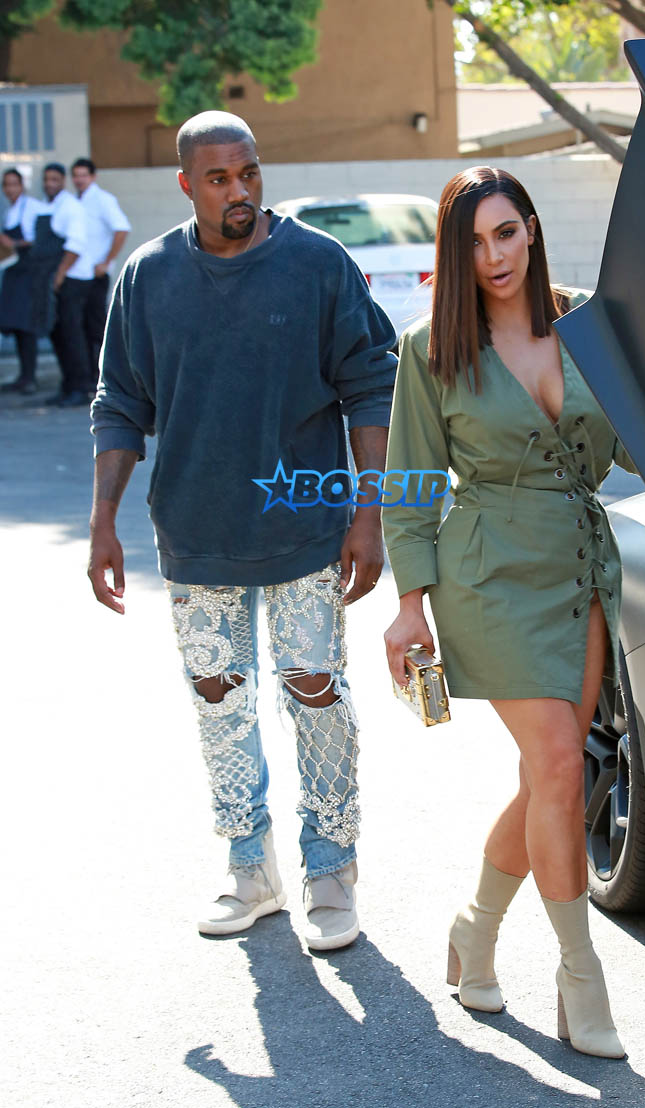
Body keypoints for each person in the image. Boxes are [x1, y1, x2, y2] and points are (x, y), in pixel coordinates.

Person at [88, 111, 396, 950]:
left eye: (249, 173)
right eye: (219, 179)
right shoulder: (148, 275)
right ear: (187, 184)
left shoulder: (317, 263)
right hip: (196, 533)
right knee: (219, 702)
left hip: (305, 529)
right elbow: (121, 401)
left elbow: (370, 385)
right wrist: (103, 519)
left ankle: (330, 867)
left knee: (315, 693)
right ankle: (249, 867)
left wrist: (369, 515)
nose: (239, 192)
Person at [383, 167, 637, 1058]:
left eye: (504, 232)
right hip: (488, 575)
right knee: (561, 763)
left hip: (579, 569)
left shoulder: (589, 324)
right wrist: (408, 606)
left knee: (547, 781)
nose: (492, 256)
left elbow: (638, 440)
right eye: (473, 242)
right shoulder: (431, 348)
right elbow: (411, 483)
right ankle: (580, 977)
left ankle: (474, 928)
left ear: (531, 229)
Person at [71, 157, 131, 384]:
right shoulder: (77, 200)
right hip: (81, 275)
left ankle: (112, 377)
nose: (79, 179)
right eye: (76, 175)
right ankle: (92, 377)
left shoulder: (103, 199)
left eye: (83, 175)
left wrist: (106, 262)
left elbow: (122, 229)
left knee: (98, 328)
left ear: (93, 177)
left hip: (96, 275)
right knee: (84, 327)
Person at [42, 162, 94, 407]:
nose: (49, 184)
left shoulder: (71, 207)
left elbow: (76, 245)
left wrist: (60, 274)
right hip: (58, 279)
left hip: (73, 279)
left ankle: (81, 388)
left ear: (63, 181)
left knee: (73, 334)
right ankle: (68, 386)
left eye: (54, 179)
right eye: (46, 180)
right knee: (59, 334)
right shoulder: (51, 205)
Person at [0, 168, 50, 394]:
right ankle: (23, 376)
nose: (10, 189)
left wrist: (12, 243)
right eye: (6, 185)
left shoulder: (32, 207)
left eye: (14, 184)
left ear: (22, 186)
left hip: (29, 273)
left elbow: (38, 240)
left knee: (26, 325)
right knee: (16, 325)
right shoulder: (10, 211)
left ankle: (30, 377)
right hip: (13, 271)